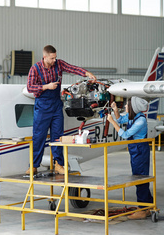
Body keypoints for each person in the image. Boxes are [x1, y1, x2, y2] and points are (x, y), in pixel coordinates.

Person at [26, 45, 97, 175]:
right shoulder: (35, 69)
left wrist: (87, 73)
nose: (54, 60)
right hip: (42, 107)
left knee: (58, 137)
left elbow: (72, 68)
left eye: (55, 57)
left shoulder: (59, 64)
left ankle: (59, 164)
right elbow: (30, 87)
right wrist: (46, 86)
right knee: (38, 137)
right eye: (52, 58)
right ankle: (34, 166)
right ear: (45, 57)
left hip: (56, 106)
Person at [107, 96, 153, 220]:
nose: (125, 107)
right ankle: (148, 205)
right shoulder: (134, 116)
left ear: (133, 107)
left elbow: (126, 134)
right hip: (135, 150)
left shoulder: (140, 121)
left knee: (140, 178)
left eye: (127, 105)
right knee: (139, 177)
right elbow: (121, 120)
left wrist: (111, 122)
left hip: (140, 150)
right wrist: (115, 110)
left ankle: (142, 209)